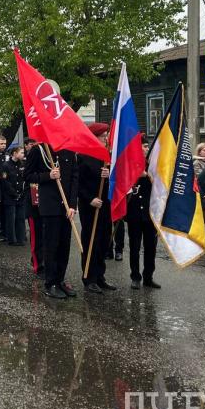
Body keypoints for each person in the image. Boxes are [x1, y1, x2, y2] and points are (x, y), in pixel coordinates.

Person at [25, 143, 79, 298]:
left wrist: (72, 205)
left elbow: (74, 178)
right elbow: (27, 175)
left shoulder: (69, 150)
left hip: (66, 207)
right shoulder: (39, 150)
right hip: (50, 206)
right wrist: (47, 176)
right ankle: (50, 283)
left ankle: (60, 280)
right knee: (51, 246)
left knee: (64, 246)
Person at [78, 123, 116, 294]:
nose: (106, 139)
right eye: (103, 136)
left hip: (105, 204)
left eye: (106, 136)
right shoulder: (83, 156)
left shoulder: (106, 156)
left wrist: (109, 176)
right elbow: (78, 183)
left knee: (103, 240)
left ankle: (100, 276)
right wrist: (89, 199)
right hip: (90, 206)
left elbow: (113, 181)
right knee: (91, 241)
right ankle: (89, 278)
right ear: (94, 137)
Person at [126, 135, 160, 290]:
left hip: (150, 212)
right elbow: (122, 185)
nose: (147, 149)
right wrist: (135, 175)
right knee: (134, 246)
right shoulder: (128, 164)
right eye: (144, 146)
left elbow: (160, 187)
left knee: (151, 247)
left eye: (147, 146)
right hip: (134, 211)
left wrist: (148, 175)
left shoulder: (153, 165)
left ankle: (148, 276)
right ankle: (135, 276)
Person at [1, 144, 26, 247]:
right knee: (11, 218)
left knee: (20, 218)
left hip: (21, 195)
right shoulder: (6, 165)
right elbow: (5, 182)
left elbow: (24, 179)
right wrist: (14, 193)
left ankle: (20, 238)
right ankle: (12, 239)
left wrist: (22, 192)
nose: (23, 154)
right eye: (21, 152)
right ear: (14, 153)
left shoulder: (23, 164)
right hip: (10, 196)